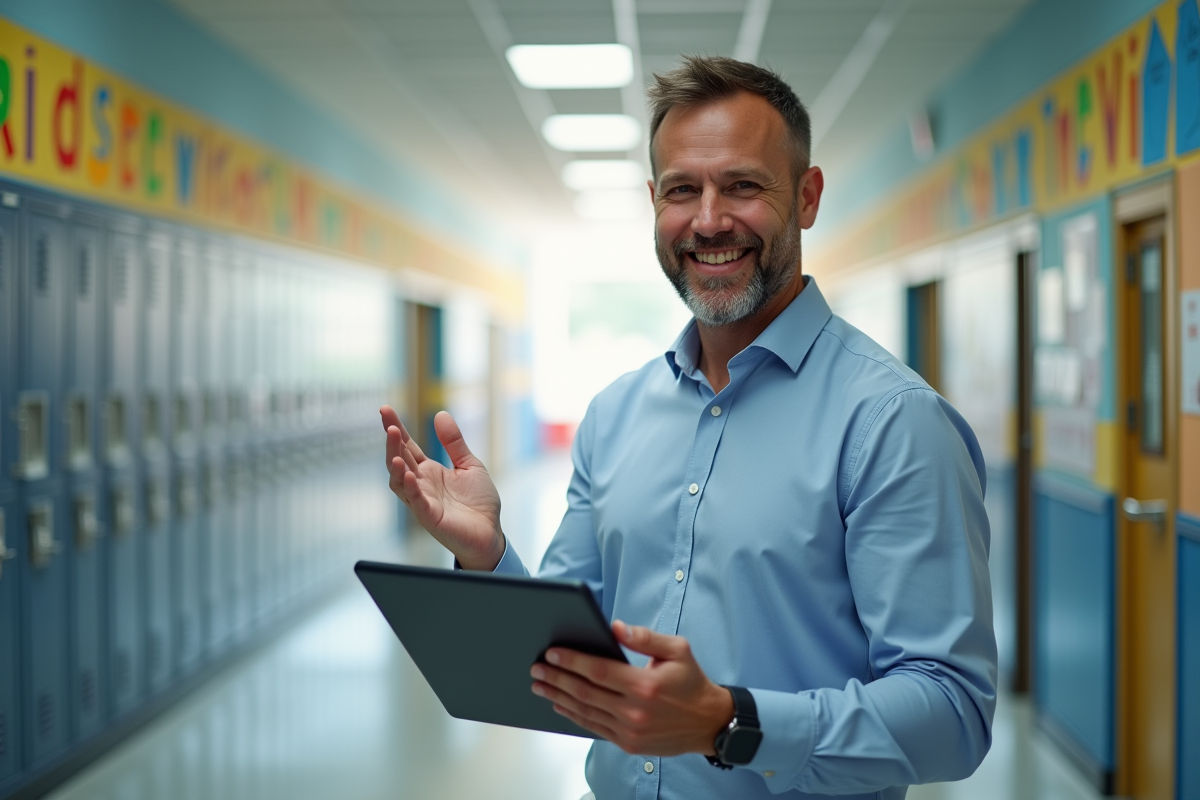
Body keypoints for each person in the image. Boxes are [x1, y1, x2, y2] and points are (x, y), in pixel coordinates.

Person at [380, 55, 996, 800]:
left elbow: (953, 710)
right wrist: (491, 562)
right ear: (654, 203)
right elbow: (569, 665)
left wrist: (729, 722)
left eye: (742, 185)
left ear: (806, 197)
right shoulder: (615, 415)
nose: (708, 220)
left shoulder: (892, 422)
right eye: (682, 190)